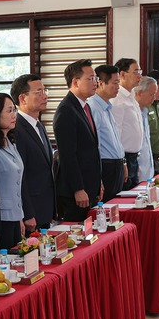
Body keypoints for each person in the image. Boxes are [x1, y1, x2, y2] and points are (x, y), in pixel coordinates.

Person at [53, 59, 103, 221]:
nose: (95, 82)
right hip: (75, 193)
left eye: (95, 78)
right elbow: (68, 155)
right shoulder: (67, 110)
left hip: (89, 187)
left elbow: (90, 150)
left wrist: (97, 182)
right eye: (90, 78)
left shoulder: (83, 107)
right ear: (75, 81)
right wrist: (78, 188)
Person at [11, 74, 55, 232]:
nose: (45, 96)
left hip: (45, 207)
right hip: (31, 211)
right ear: (22, 98)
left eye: (45, 90)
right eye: (38, 92)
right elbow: (19, 176)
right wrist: (27, 212)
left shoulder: (38, 125)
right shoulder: (16, 128)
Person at [0, 94, 24, 250]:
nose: (14, 115)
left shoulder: (10, 141)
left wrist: (20, 216)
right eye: (9, 110)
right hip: (1, 217)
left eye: (14, 109)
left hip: (15, 215)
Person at [87, 65, 127, 202]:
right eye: (115, 83)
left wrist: (123, 162)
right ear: (101, 83)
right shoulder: (93, 107)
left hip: (117, 165)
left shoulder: (107, 106)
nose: (118, 87)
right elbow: (94, 145)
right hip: (106, 167)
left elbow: (115, 140)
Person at [111, 58, 143, 190]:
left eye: (140, 71)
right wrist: (123, 161)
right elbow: (115, 135)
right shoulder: (117, 99)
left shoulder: (132, 97)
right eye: (136, 71)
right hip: (124, 158)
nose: (139, 75)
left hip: (134, 158)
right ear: (122, 74)